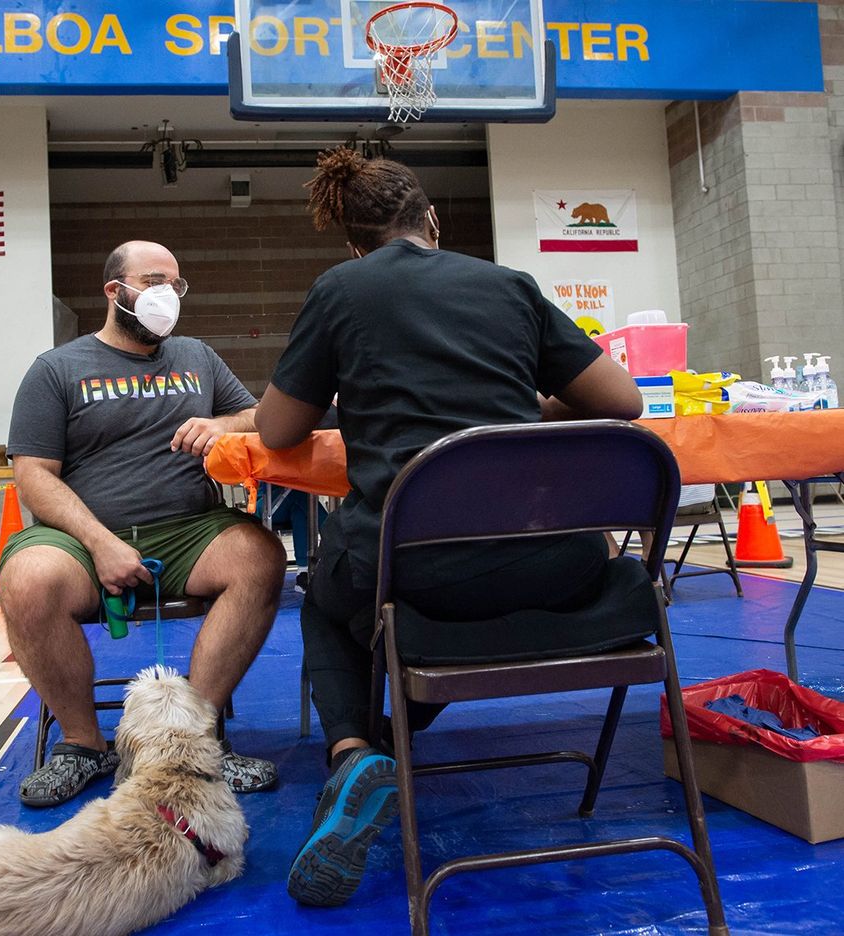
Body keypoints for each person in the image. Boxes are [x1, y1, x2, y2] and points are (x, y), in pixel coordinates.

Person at [254, 148, 643, 908]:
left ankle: (355, 753)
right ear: (432, 219)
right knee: (408, 595)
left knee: (330, 595)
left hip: (416, 571)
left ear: (353, 243)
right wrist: (529, 412)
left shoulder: (341, 289)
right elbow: (622, 400)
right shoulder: (510, 284)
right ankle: (407, 719)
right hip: (560, 567)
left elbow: (276, 429)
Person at [0, 240, 286, 807]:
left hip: (187, 530)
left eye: (175, 285)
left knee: (261, 556)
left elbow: (259, 415)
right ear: (116, 291)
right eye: (153, 281)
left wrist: (223, 423)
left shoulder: (198, 357)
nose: (167, 296)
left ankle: (196, 741)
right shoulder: (57, 369)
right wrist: (101, 543)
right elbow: (34, 477)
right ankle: (82, 744)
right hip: (79, 538)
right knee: (27, 580)